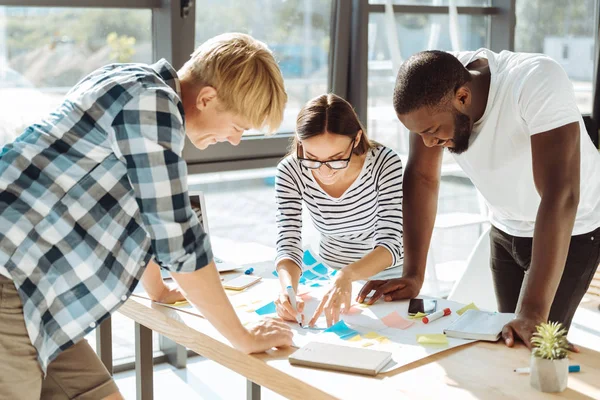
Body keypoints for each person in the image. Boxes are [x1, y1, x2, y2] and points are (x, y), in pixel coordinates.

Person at [0, 33, 293, 400]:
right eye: (238, 127)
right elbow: (178, 238)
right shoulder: (151, 104)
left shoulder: (131, 82)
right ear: (207, 98)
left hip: (36, 294)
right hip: (10, 286)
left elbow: (139, 212)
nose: (235, 141)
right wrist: (242, 337)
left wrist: (158, 288)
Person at [358, 49, 600, 350]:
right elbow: (422, 177)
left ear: (462, 97)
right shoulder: (431, 89)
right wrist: (413, 274)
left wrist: (532, 312)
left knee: (536, 346)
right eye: (419, 134)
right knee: (507, 345)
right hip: (504, 229)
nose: (428, 143)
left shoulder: (535, 80)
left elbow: (560, 194)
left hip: (571, 229)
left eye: (432, 132)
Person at [274, 93, 404, 328]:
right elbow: (288, 241)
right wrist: (288, 290)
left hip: (386, 280)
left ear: (356, 139)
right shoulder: (290, 171)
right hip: (330, 274)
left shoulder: (385, 163)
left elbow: (391, 243)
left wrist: (348, 275)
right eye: (312, 158)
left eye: (336, 159)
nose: (324, 171)